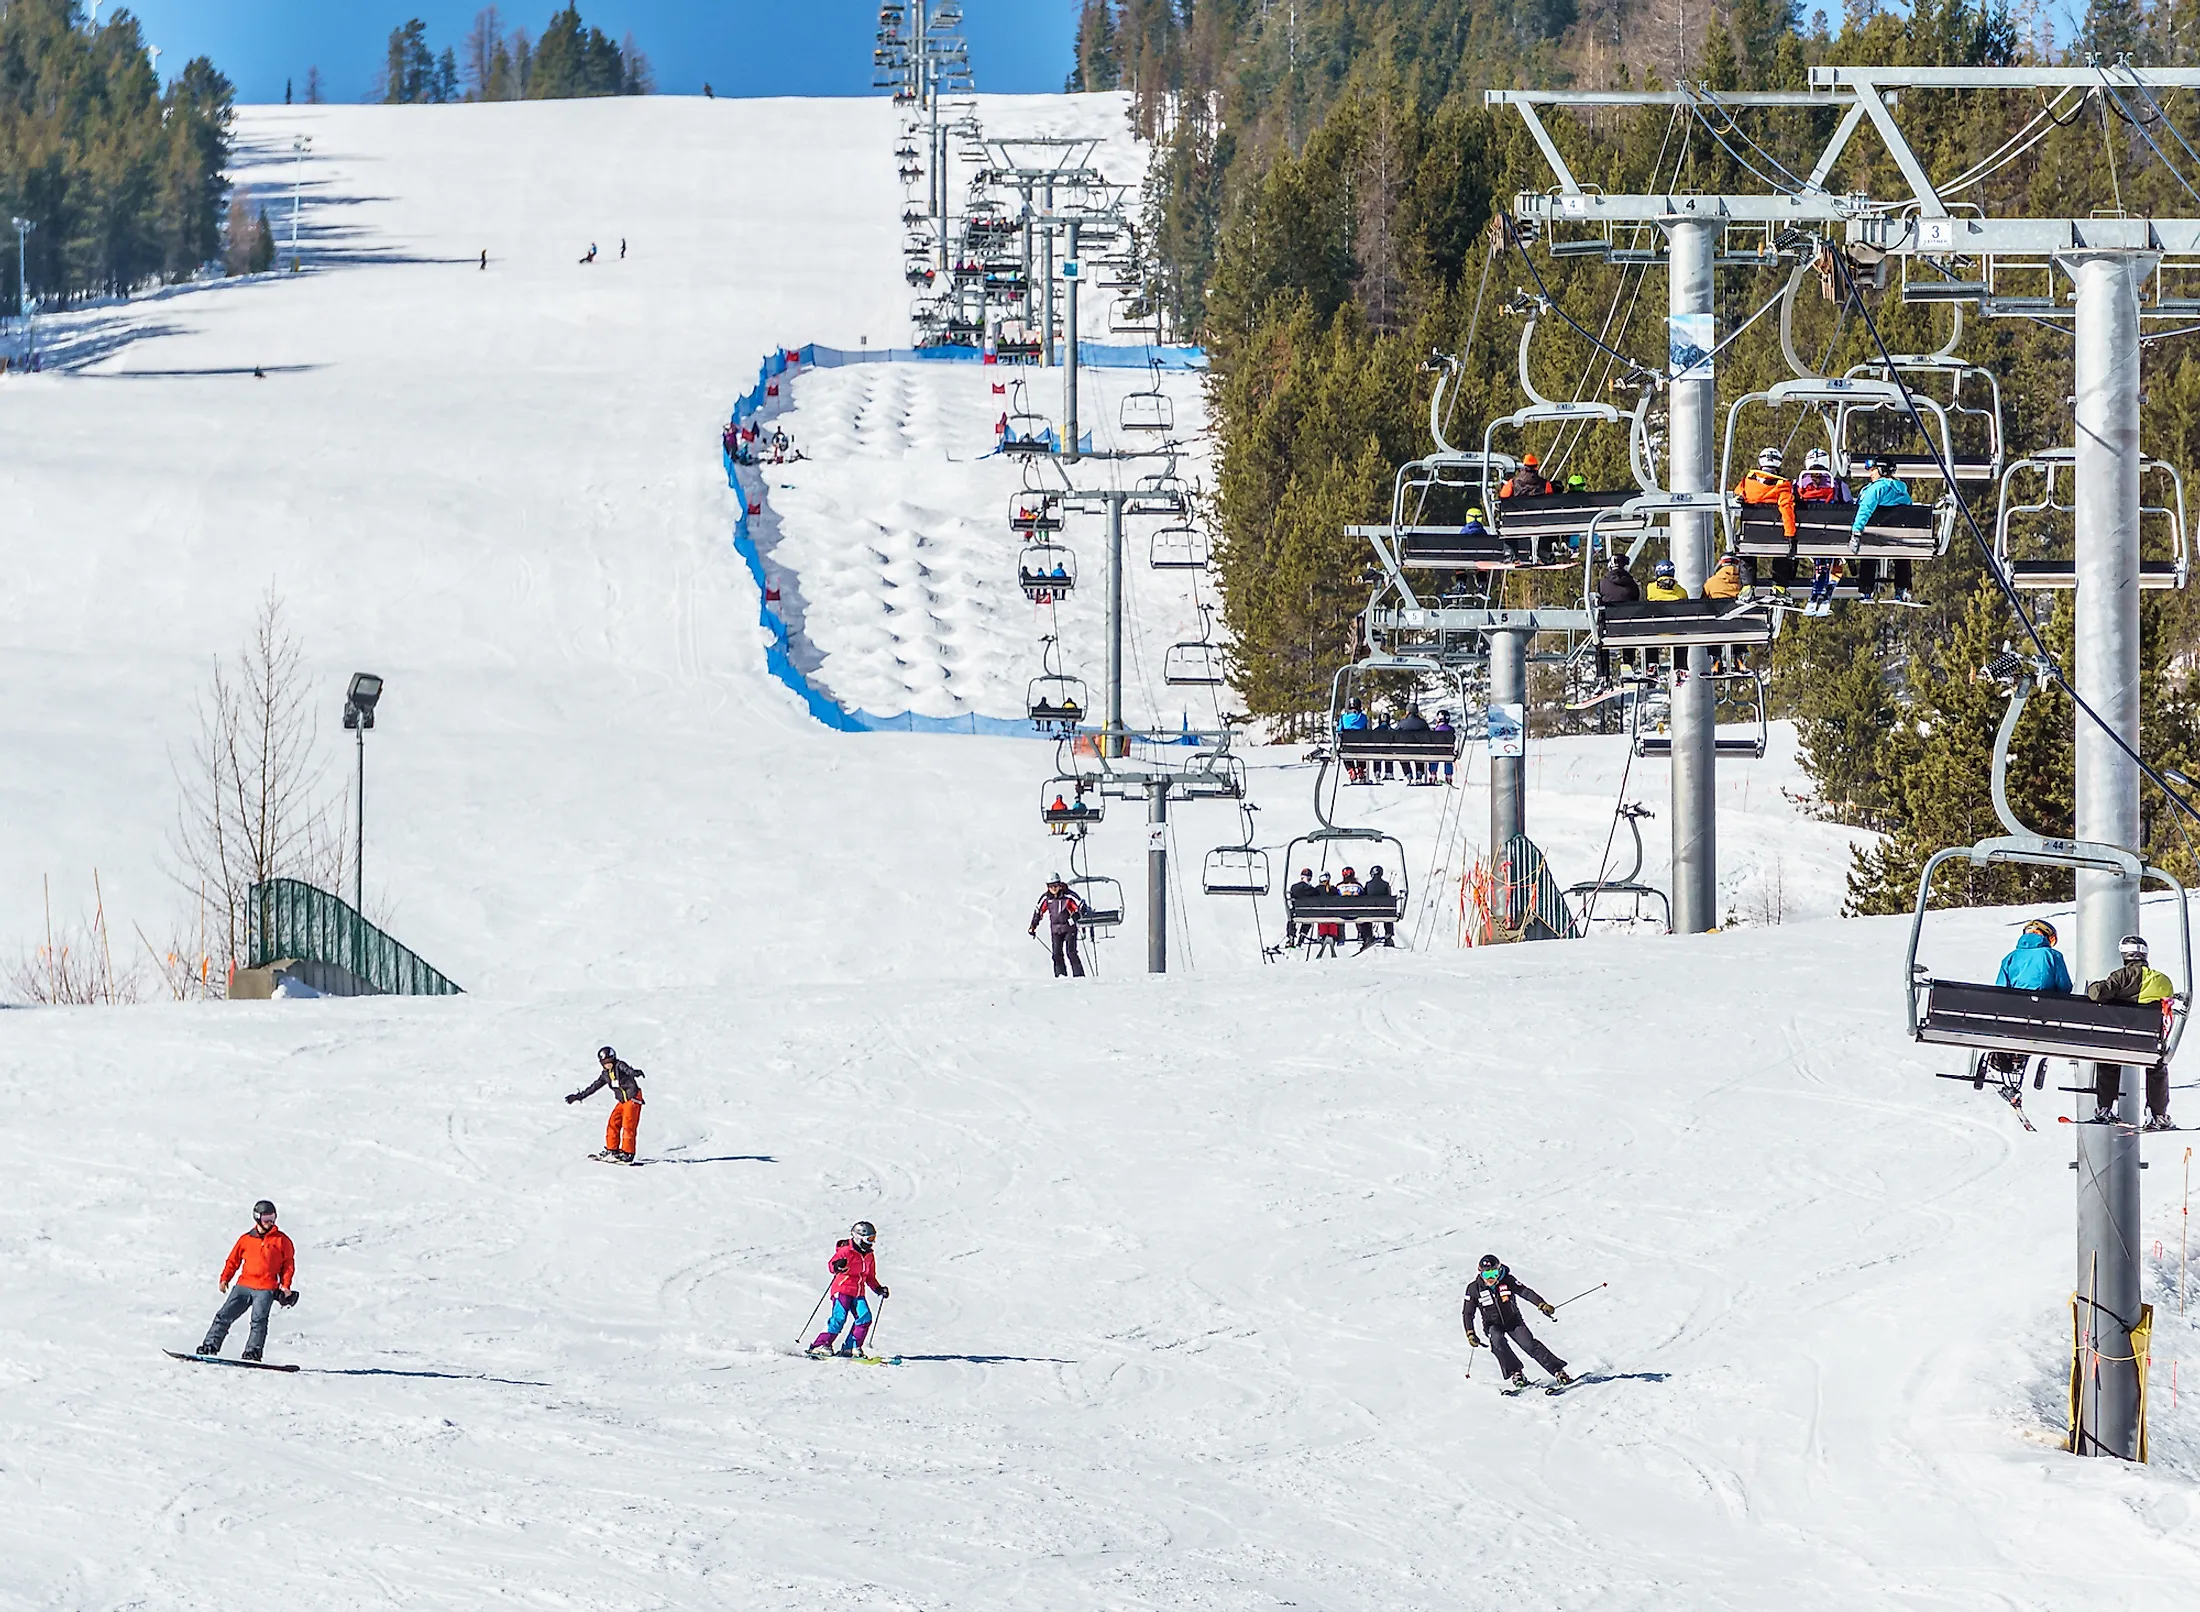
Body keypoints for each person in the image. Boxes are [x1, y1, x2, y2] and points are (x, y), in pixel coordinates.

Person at [2086, 934, 2177, 1128]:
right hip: (2147, 1044)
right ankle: (2158, 1114)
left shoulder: (2120, 977)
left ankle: (2105, 1108)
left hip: (2119, 1042)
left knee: (2108, 1059)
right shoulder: (2162, 980)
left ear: (2124, 955)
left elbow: (2098, 993)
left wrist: (2093, 986)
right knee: (2157, 1065)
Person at [197, 1200, 298, 1362]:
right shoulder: (245, 1239)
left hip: (266, 1288)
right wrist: (225, 1278)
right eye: (266, 1219)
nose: (270, 1222)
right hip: (243, 1286)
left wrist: (286, 1285)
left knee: (258, 1321)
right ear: (257, 1218)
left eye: (272, 1218)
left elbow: (288, 1265)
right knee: (223, 1316)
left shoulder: (282, 1241)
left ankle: (253, 1352)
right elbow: (233, 1260)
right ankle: (210, 1346)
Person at [1463, 1254, 1573, 1390]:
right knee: (1497, 1342)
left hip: (1513, 1321)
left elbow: (1525, 1292)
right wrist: (1470, 1333)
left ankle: (1558, 1371)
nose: (1490, 1278)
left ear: (1499, 1270)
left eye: (1494, 1273)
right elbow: (1468, 1313)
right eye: (1486, 1274)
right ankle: (1516, 1372)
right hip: (1492, 1325)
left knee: (1529, 1344)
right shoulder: (1473, 1289)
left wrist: (1541, 1304)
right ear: (1480, 1273)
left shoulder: (1507, 1280)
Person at [808, 1221, 890, 1357]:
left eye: (873, 1238)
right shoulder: (846, 1251)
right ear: (858, 1237)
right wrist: (837, 1265)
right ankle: (820, 1344)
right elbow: (831, 1265)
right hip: (843, 1289)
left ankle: (851, 1347)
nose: (872, 1242)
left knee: (865, 1318)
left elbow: (870, 1276)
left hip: (858, 1292)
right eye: (869, 1239)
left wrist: (878, 1289)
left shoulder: (869, 1255)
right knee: (839, 1318)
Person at [567, 1046, 646, 1163]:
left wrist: (634, 1073)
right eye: (604, 1063)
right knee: (613, 1122)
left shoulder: (620, 1066)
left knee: (628, 1125)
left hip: (633, 1099)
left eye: (609, 1062)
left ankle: (627, 1153)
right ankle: (612, 1150)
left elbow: (628, 1070)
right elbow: (594, 1087)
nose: (607, 1065)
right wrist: (579, 1096)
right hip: (623, 1102)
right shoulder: (606, 1075)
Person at [1851, 457, 1915, 600]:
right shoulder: (1902, 491)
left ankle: (1866, 589)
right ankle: (1902, 588)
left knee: (1869, 552)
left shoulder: (1876, 489)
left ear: (1881, 470)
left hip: (1874, 536)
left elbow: (1865, 509)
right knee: (1902, 556)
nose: (1870, 474)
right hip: (1899, 537)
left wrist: (1856, 531)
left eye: (1873, 470)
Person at [1594, 554, 1640, 685]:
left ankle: (1603, 676)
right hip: (1627, 629)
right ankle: (1627, 668)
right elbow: (1636, 599)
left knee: (1599, 641)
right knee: (1628, 636)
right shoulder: (1632, 584)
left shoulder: (1603, 583)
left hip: (1609, 629)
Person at [1029, 875, 1086, 978]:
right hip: (1055, 930)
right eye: (1051, 886)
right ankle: (1061, 977)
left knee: (1071, 952)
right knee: (1056, 954)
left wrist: (1076, 916)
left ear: (1060, 885)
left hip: (1069, 928)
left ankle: (1079, 976)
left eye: (1055, 885)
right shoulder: (1046, 898)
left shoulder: (1068, 896)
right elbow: (1038, 912)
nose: (1053, 888)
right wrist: (1033, 926)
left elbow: (1081, 906)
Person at [1359, 864, 1395, 951]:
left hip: (1370, 912)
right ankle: (1388, 936)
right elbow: (1389, 897)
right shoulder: (1386, 884)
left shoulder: (1368, 885)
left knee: (1365, 919)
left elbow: (1364, 896)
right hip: (1385, 912)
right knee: (1388, 916)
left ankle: (1367, 937)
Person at [1396, 704, 1431, 783]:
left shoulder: (1402, 723)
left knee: (1402, 756)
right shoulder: (1423, 723)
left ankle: (1408, 773)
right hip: (1420, 751)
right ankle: (1419, 773)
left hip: (1405, 751)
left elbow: (1395, 734)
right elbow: (1429, 735)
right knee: (1420, 754)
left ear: (1408, 711)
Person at [1286, 867, 1318, 947]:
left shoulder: (1294, 887)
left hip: (1296, 912)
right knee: (1308, 920)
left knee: (1291, 919)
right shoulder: (1312, 890)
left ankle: (1291, 937)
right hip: (1307, 913)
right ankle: (1301, 939)